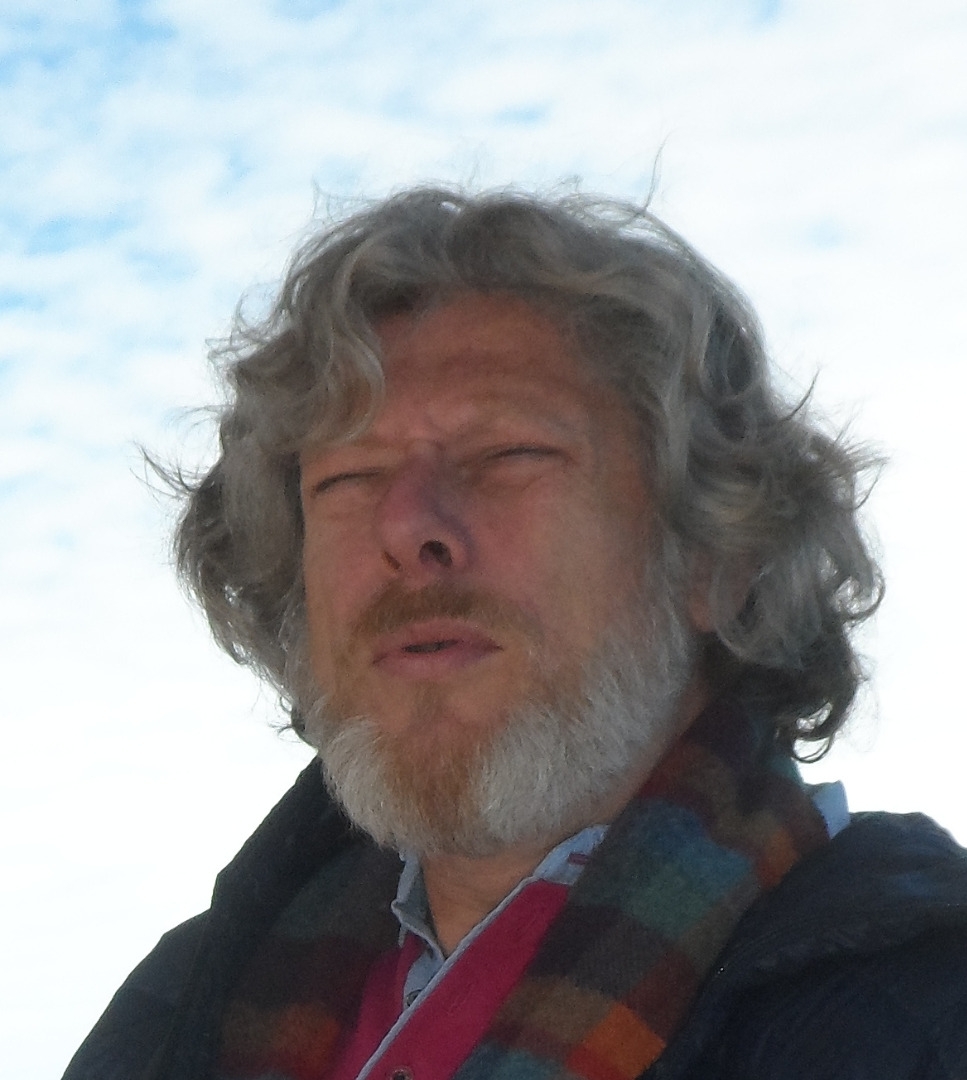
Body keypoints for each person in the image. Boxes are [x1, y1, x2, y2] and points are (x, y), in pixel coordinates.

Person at [63, 188, 967, 1080]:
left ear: (715, 560)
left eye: (507, 455)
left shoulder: (927, 1009)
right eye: (347, 479)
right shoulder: (177, 1017)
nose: (407, 525)